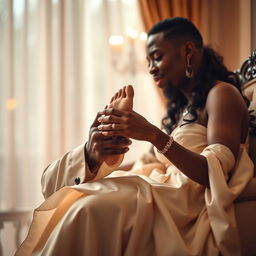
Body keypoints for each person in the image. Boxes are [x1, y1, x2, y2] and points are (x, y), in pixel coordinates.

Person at [16, 17, 254, 256]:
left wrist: (152, 134)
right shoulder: (183, 110)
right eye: (149, 61)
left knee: (88, 209)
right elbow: (148, 164)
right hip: (160, 189)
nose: (150, 68)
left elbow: (215, 173)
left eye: (157, 56)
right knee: (78, 200)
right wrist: (99, 156)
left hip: (183, 203)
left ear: (188, 50)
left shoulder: (222, 93)